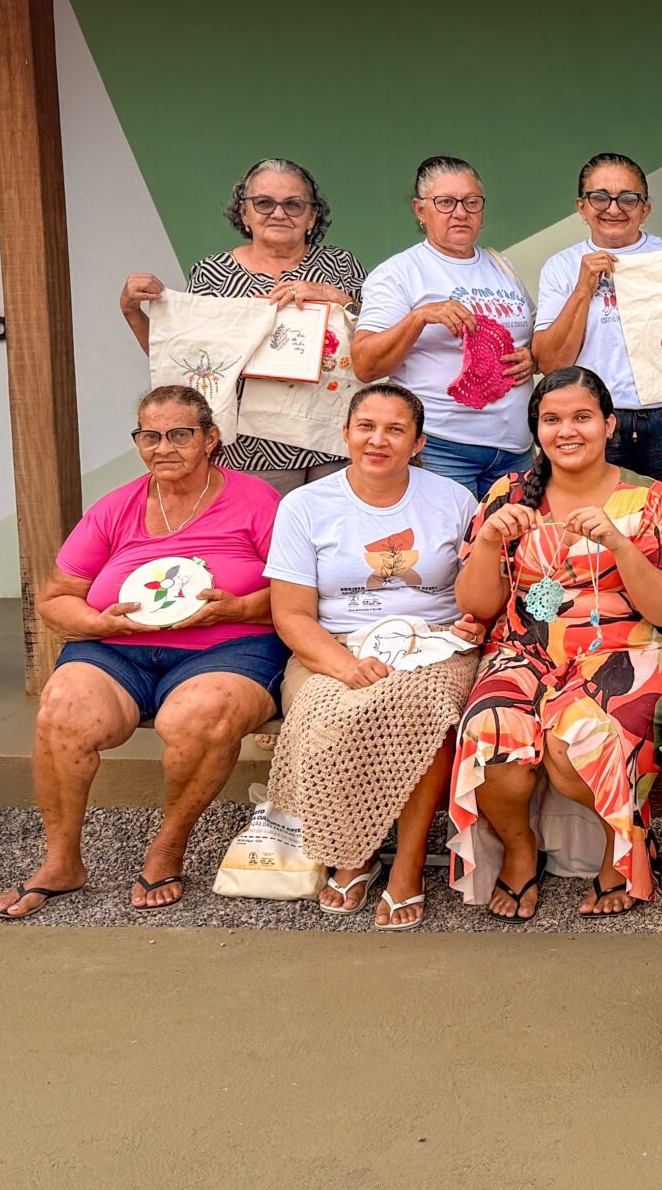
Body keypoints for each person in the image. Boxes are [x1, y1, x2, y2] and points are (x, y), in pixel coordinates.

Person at [0, 386, 286, 918]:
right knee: (63, 709)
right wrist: (97, 622)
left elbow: (299, 590)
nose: (164, 447)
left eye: (180, 435)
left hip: (227, 647)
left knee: (201, 715)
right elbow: (55, 599)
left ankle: (169, 845)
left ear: (211, 439)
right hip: (117, 650)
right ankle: (62, 860)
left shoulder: (256, 499)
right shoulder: (115, 506)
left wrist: (237, 609)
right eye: (150, 436)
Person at [447, 368, 662, 920]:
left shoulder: (648, 499)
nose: (567, 430)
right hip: (527, 647)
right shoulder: (509, 495)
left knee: (575, 742)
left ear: (609, 425)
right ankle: (519, 850)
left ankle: (620, 849)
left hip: (627, 647)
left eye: (582, 417)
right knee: (491, 734)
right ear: (537, 429)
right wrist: (487, 541)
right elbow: (480, 605)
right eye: (552, 419)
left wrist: (620, 546)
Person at [262, 383, 482, 932]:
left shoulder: (453, 499)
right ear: (346, 434)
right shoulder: (305, 505)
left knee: (427, 709)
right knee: (329, 711)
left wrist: (476, 616)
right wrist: (342, 665)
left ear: (419, 442)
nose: (377, 440)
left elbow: (482, 589)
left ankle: (407, 867)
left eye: (395, 429)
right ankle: (353, 852)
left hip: (433, 641)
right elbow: (291, 615)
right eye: (366, 427)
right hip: (334, 644)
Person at [118, 158, 364, 494]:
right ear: (244, 213)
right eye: (264, 203)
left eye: (293, 204)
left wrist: (335, 296)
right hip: (251, 451)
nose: (278, 213)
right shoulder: (213, 274)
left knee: (336, 540)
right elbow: (186, 363)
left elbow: (378, 342)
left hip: (335, 441)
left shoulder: (340, 265)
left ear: (312, 216)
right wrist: (132, 312)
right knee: (262, 543)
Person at [533, 152, 662, 506]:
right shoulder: (562, 267)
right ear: (581, 207)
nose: (614, 209)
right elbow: (550, 362)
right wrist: (583, 288)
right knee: (595, 527)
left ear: (645, 209)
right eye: (600, 197)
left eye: (628, 198)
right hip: (596, 421)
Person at [354, 156, 537, 499]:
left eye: (471, 202)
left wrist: (533, 359)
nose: (460, 212)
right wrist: (419, 317)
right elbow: (365, 364)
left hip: (515, 447)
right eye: (445, 202)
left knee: (513, 548)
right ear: (420, 210)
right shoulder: (399, 273)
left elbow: (532, 338)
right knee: (452, 550)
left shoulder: (502, 265)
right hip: (441, 448)